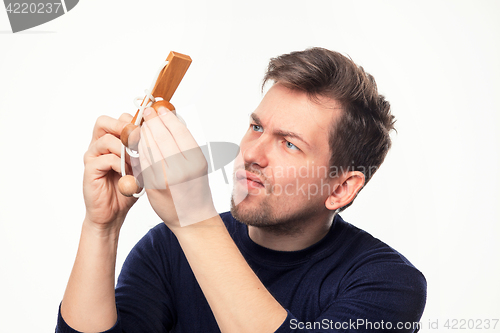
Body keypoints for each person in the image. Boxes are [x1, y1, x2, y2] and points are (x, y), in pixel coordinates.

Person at [56, 47, 426, 333]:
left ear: (342, 188)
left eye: (289, 144)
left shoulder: (389, 284)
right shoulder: (167, 250)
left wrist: (193, 220)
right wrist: (101, 228)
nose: (252, 154)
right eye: (256, 127)